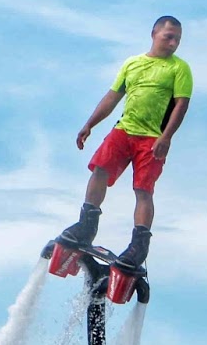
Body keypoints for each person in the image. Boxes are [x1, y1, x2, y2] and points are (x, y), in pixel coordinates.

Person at [56, 16, 193, 269]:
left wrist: (166, 137)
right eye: (168, 37)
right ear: (154, 34)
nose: (173, 43)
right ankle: (86, 226)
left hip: (152, 138)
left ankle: (138, 247)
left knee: (143, 190)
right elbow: (112, 97)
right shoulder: (132, 63)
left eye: (178, 39)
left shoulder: (179, 68)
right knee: (99, 169)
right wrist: (89, 124)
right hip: (124, 130)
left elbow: (182, 104)